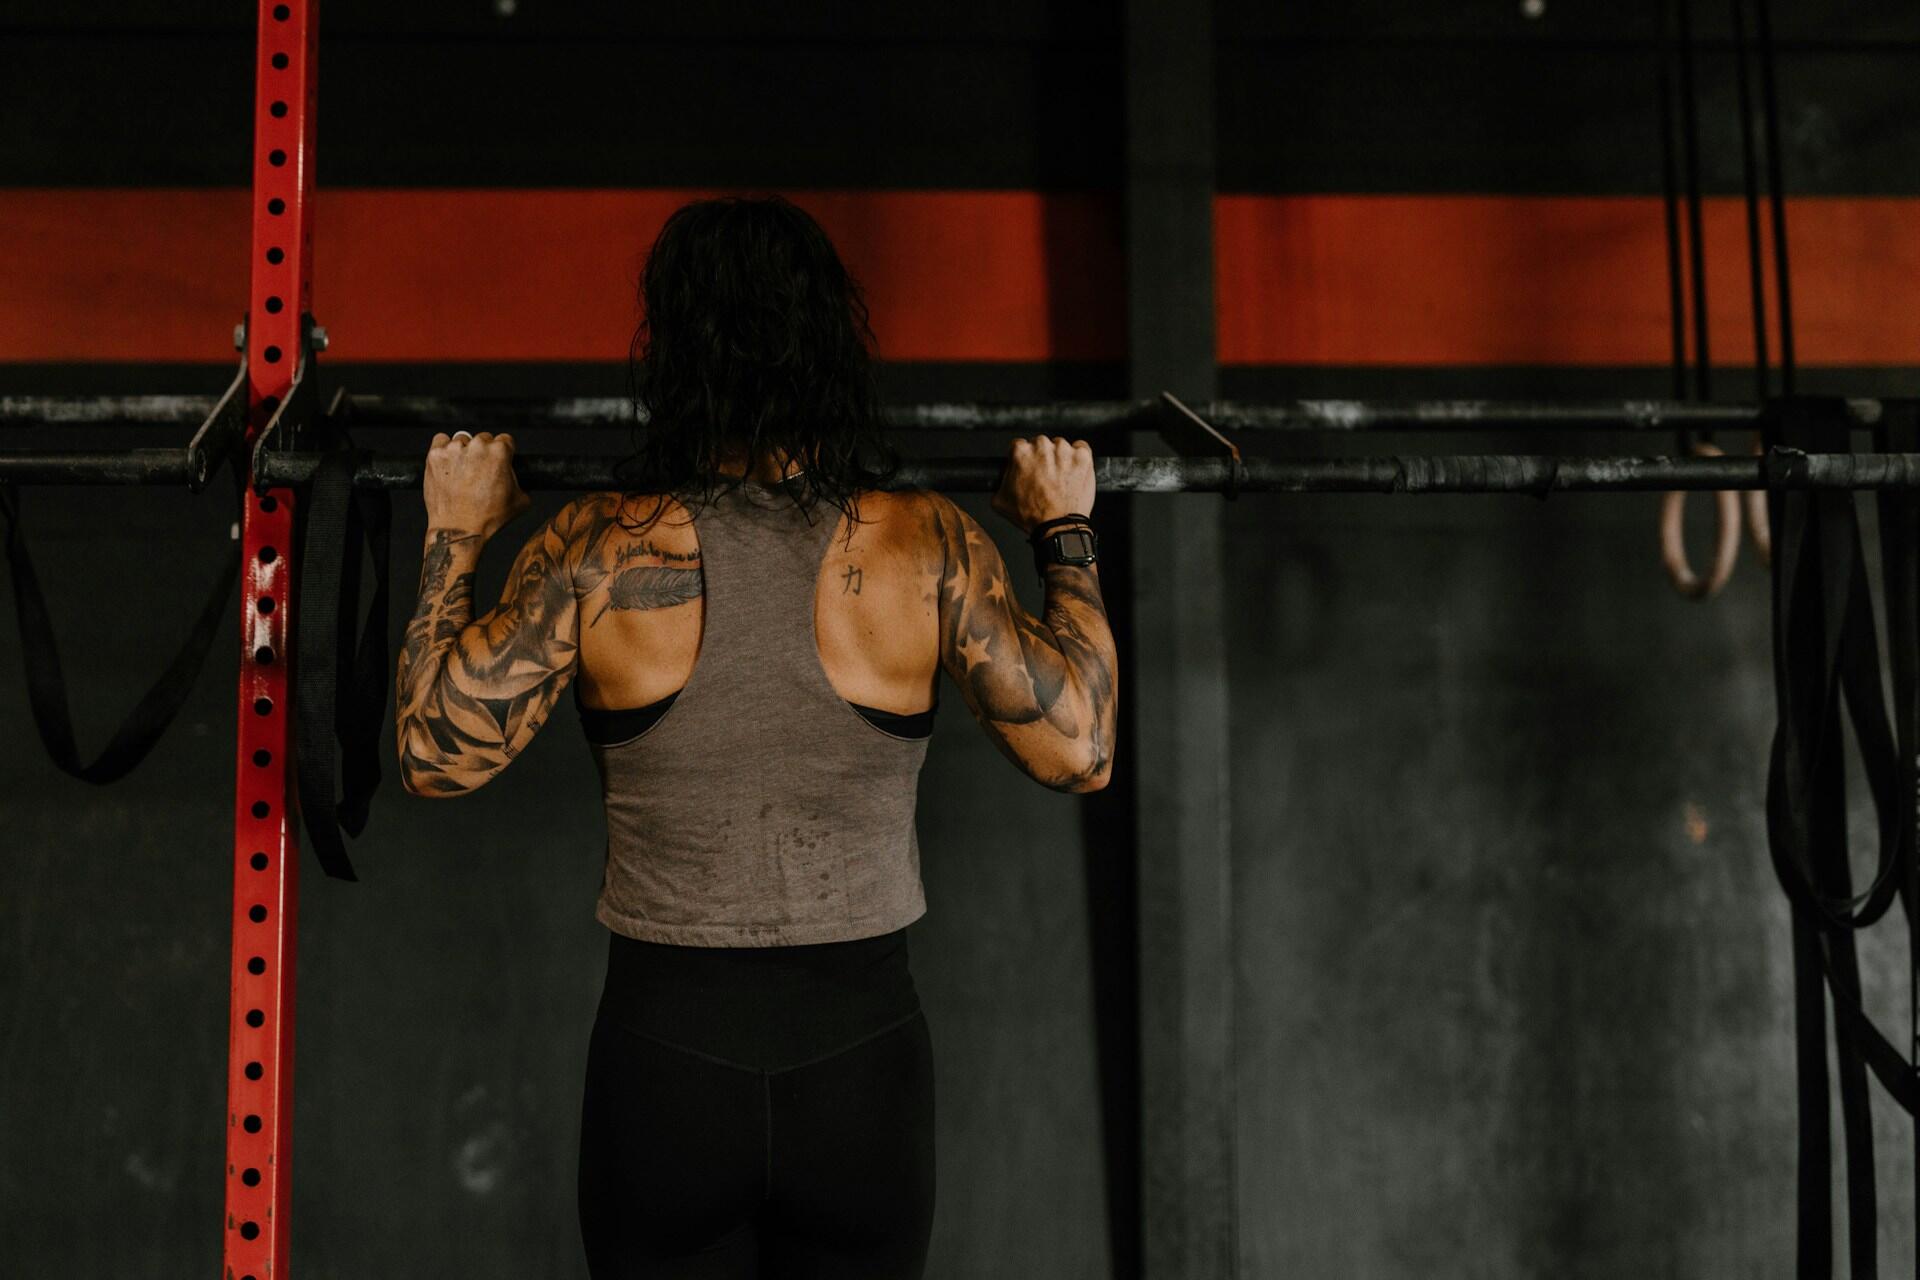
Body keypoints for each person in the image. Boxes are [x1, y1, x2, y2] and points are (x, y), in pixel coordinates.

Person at [392, 195, 1119, 1279]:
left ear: (674, 352)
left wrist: (455, 534)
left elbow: (432, 754)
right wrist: (1063, 529)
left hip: (665, 1070)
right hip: (863, 1074)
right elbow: (1083, 747)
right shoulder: (927, 544)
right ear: (833, 340)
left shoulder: (595, 549)